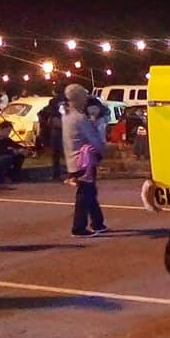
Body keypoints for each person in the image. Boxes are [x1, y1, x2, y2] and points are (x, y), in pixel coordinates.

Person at [62, 84, 108, 237]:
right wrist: (103, 151)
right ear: (79, 98)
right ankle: (79, 227)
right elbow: (94, 139)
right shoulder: (79, 118)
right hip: (84, 160)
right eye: (83, 96)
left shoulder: (67, 114)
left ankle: (98, 223)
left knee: (88, 191)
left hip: (73, 159)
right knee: (85, 193)